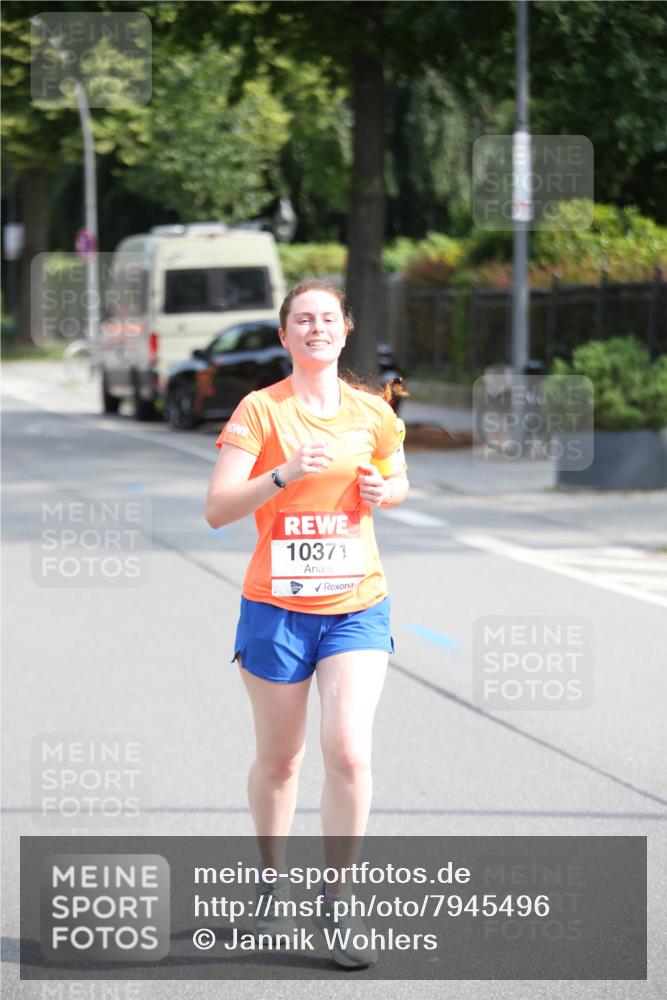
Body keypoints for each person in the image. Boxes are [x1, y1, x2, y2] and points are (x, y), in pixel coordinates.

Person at [205, 278, 409, 968]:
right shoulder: (260, 411)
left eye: (327, 318)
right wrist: (284, 474)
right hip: (275, 609)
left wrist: (387, 490)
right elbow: (218, 508)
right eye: (302, 320)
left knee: (348, 750)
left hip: (355, 604)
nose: (316, 328)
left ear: (345, 329)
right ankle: (268, 883)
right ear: (285, 335)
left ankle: (338, 900)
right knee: (281, 758)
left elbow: (395, 476)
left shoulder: (373, 411)